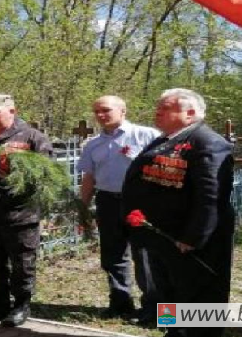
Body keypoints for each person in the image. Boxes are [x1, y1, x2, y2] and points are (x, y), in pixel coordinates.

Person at [122, 88, 235, 337]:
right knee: (168, 292)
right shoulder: (165, 139)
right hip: (163, 237)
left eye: (166, 107)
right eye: (158, 106)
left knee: (196, 297)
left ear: (191, 113)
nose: (158, 111)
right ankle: (172, 332)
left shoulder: (208, 142)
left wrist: (193, 237)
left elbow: (211, 196)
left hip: (188, 240)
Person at [0, 94, 52, 327]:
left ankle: (22, 305)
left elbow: (46, 173)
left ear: (12, 111)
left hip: (19, 214)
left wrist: (14, 171)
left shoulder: (32, 137)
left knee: (22, 262)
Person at [77, 95, 160, 323]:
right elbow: (89, 178)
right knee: (112, 254)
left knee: (144, 255)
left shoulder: (147, 136)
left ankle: (153, 308)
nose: (100, 115)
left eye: (106, 110)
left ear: (122, 110)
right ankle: (120, 302)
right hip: (108, 201)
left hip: (141, 203)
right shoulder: (93, 144)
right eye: (97, 112)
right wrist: (82, 207)